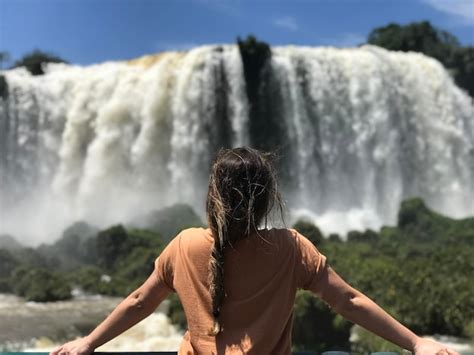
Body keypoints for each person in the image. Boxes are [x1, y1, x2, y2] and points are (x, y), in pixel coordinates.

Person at [51, 147, 460, 355]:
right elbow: (348, 300)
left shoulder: (185, 244)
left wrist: (88, 343)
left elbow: (141, 301)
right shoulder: (291, 247)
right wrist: (416, 343)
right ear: (267, 199)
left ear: (213, 194)